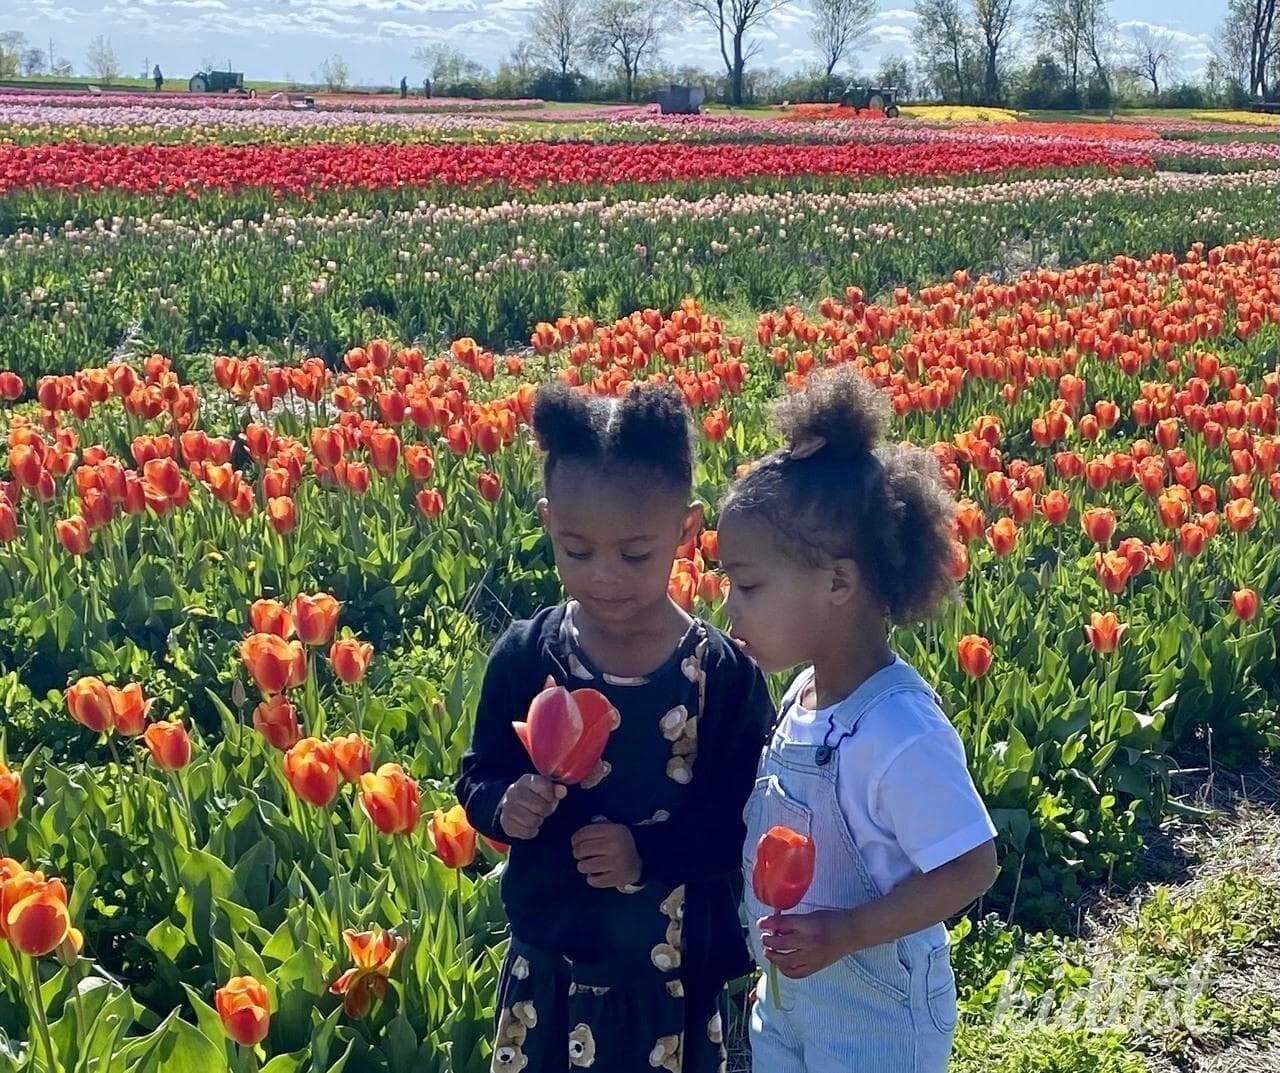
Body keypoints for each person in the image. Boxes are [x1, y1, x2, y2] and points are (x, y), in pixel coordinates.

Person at [458, 381, 771, 1072]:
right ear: (548, 524)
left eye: (634, 554)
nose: (604, 577)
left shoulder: (720, 677)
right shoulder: (526, 657)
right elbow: (478, 773)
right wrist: (505, 804)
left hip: (666, 980)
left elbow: (743, 823)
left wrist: (644, 854)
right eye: (577, 550)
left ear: (685, 530)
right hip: (552, 972)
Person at [717, 367, 998, 1072]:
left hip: (878, 1016)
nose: (729, 607)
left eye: (748, 585)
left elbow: (971, 864)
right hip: (789, 999)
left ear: (839, 582)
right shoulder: (802, 696)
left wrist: (849, 930)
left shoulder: (898, 730)